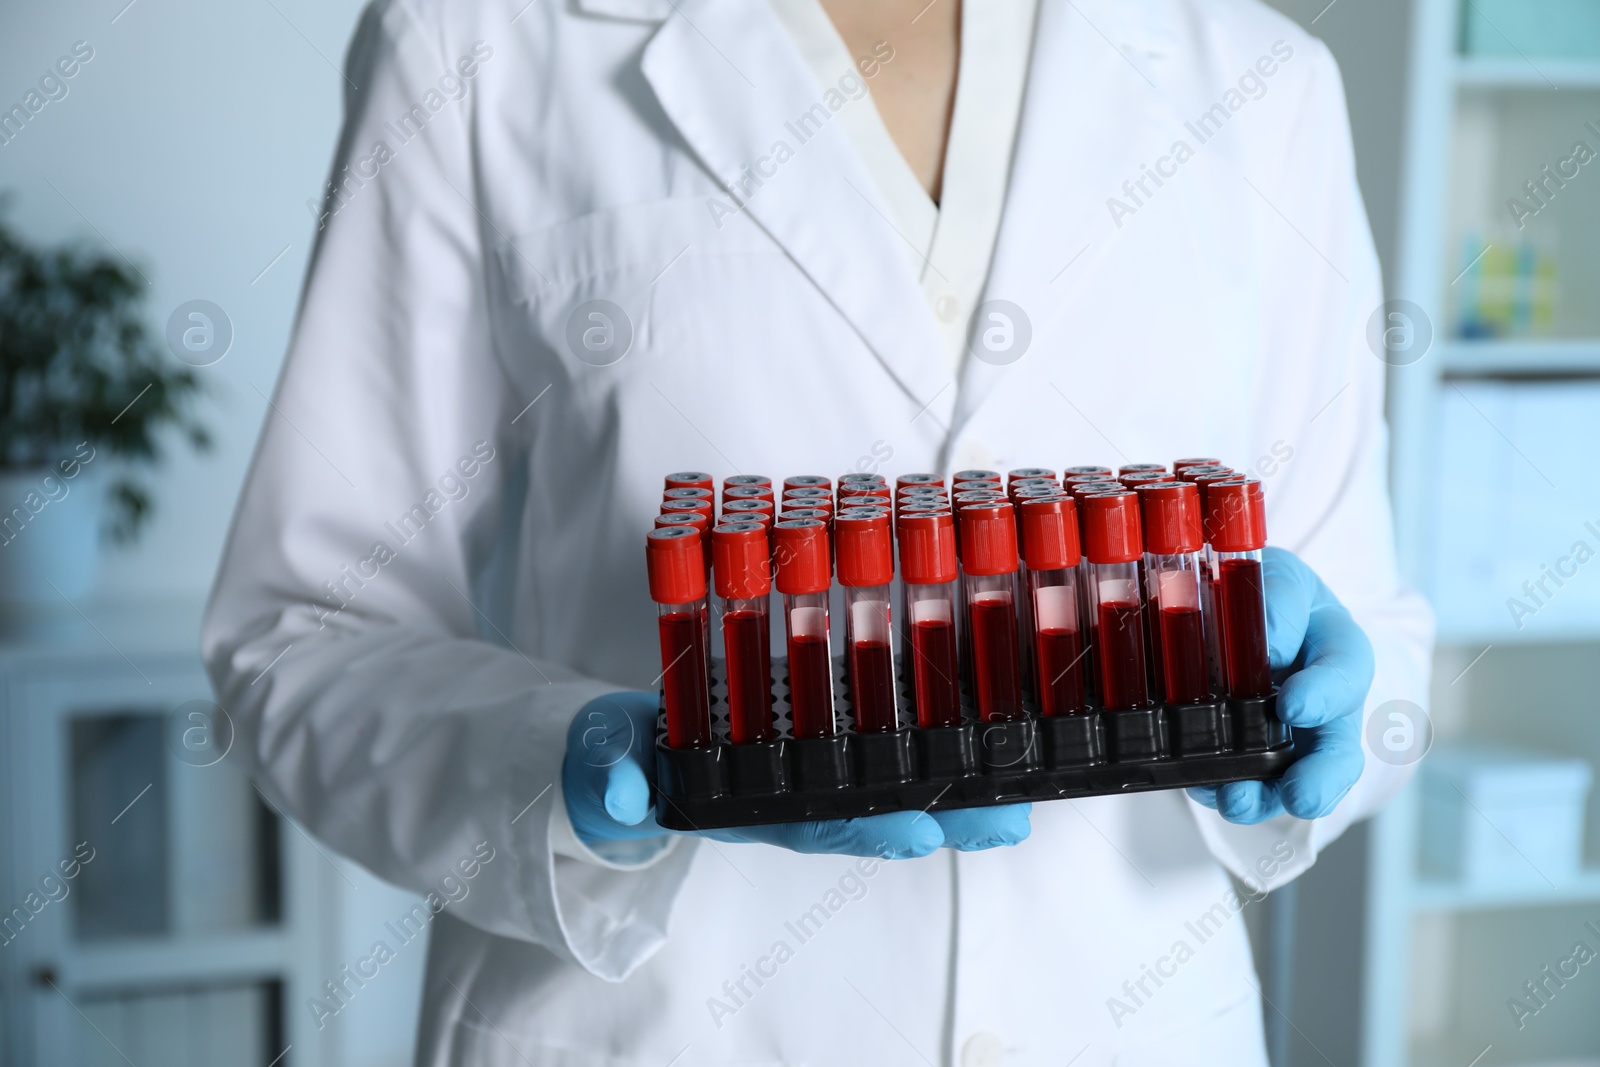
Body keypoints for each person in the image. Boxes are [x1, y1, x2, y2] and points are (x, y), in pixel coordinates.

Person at [203, 0, 1433, 1063]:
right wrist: (563, 768)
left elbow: (1371, 634)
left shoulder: (1261, 81)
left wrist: (1312, 709)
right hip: (656, 1018)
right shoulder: (479, 45)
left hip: (1125, 1014)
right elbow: (304, 631)